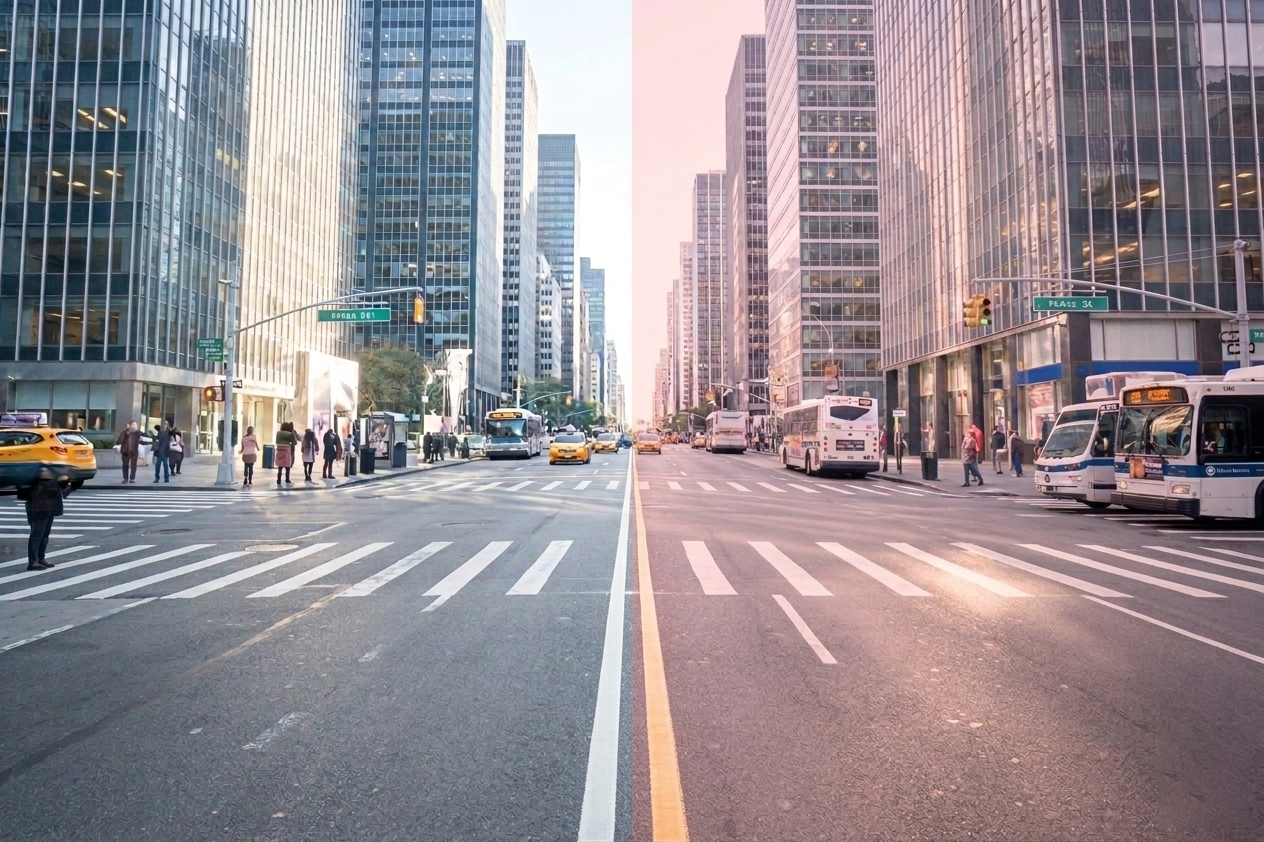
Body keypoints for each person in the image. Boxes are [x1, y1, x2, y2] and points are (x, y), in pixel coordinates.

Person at [17, 467, 72, 571]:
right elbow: (24, 483)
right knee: (37, 533)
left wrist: (65, 481)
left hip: (49, 502)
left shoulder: (53, 468)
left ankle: (40, 558)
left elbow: (63, 484)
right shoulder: (33, 468)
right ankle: (33, 561)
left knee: (45, 533)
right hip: (37, 504)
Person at [275, 421, 297, 485]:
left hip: (279, 449)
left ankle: (278, 479)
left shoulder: (278, 433)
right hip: (287, 449)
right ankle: (287, 479)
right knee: (287, 466)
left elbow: (277, 441)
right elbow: (295, 442)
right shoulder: (290, 434)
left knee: (280, 467)